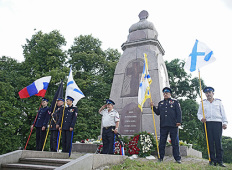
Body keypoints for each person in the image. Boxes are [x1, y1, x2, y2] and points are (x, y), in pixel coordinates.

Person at [197, 87, 228, 167]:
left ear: (213, 93)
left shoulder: (219, 102)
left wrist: (225, 123)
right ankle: (212, 160)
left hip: (217, 123)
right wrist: (201, 118)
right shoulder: (202, 103)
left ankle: (220, 161)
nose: (208, 94)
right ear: (205, 94)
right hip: (207, 123)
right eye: (206, 93)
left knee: (218, 142)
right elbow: (199, 114)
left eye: (210, 92)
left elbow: (223, 113)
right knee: (209, 142)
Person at [150, 87, 182, 163]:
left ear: (170, 94)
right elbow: (158, 113)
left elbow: (179, 112)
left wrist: (178, 121)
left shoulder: (175, 102)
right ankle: (160, 158)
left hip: (173, 125)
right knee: (162, 142)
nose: (165, 94)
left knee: (175, 143)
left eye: (167, 93)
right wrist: (153, 107)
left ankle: (177, 158)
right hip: (164, 125)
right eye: (164, 93)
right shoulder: (161, 103)